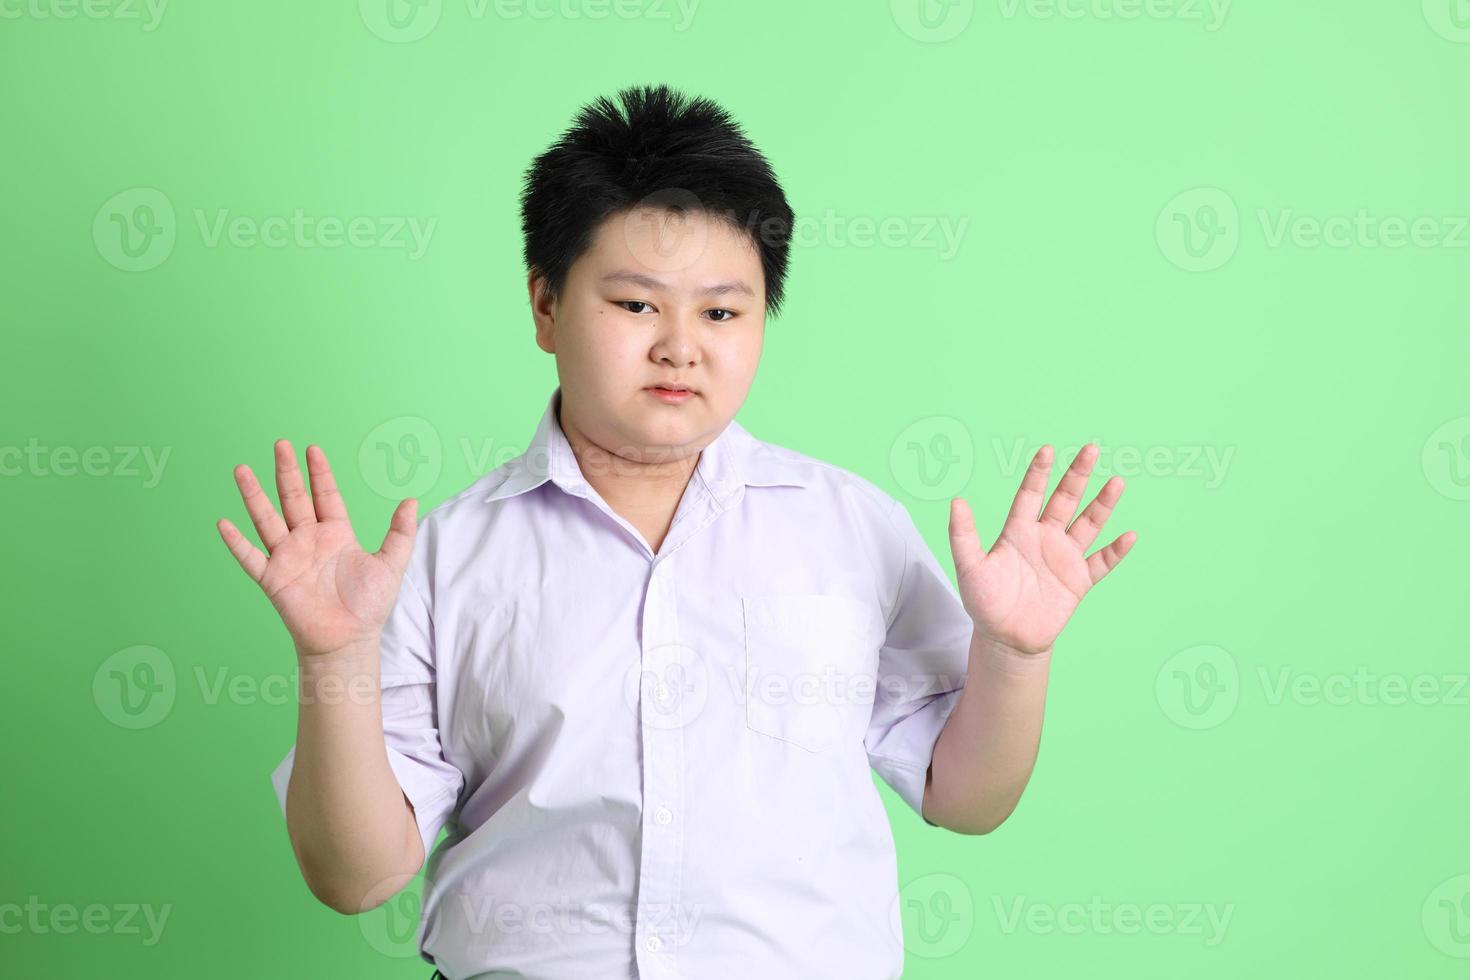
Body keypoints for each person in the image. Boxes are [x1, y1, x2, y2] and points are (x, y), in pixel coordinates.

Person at [216, 83, 1136, 979]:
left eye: (723, 312)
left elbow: (964, 798)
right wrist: (334, 660)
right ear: (545, 304)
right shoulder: (445, 557)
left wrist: (1014, 655)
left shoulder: (851, 528)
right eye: (636, 304)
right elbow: (354, 876)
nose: (681, 346)